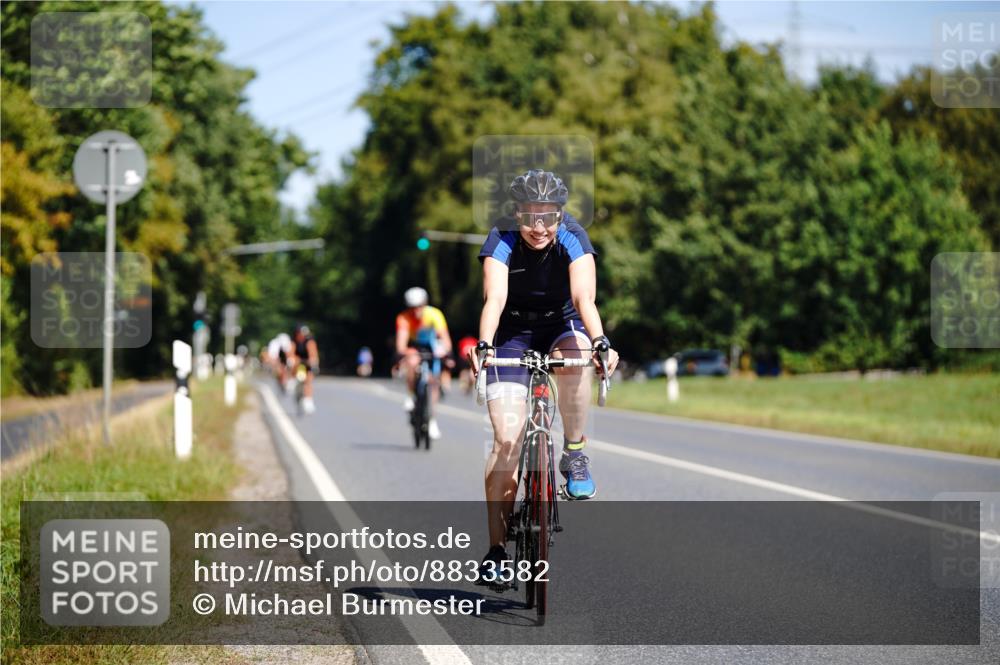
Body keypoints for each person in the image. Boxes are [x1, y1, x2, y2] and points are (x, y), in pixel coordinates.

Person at [468, 169, 619, 581]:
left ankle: (574, 452)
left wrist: (602, 340)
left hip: (560, 326)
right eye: (530, 215)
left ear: (560, 216)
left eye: (548, 216)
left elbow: (583, 297)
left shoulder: (573, 236)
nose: (539, 227)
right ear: (516, 213)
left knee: (581, 353)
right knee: (505, 441)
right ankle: (497, 550)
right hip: (513, 334)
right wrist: (484, 345)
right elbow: (494, 298)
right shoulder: (502, 238)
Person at [395, 286, 453, 440]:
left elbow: (446, 340)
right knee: (412, 360)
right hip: (414, 347)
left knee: (433, 382)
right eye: (413, 307)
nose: (416, 311)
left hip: (432, 346)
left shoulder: (434, 314)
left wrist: (444, 351)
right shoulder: (404, 318)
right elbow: (401, 345)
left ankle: (432, 420)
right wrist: (406, 352)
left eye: (419, 306)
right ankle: (411, 394)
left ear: (425, 304)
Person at [290, 324, 319, 414]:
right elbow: (291, 353)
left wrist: (313, 362)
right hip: (298, 363)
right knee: (296, 374)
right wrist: (293, 361)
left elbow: (313, 353)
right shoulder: (294, 341)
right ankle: (296, 390)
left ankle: (308, 399)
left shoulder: (310, 341)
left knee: (308, 380)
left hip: (307, 363)